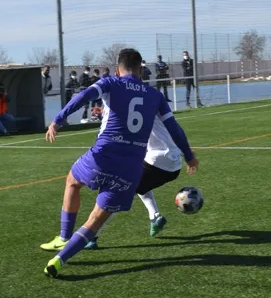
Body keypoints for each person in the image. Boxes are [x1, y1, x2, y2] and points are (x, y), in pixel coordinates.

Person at [39, 48, 197, 278]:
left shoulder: (110, 82)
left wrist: (58, 119)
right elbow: (175, 129)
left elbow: (83, 96)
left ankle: (64, 237)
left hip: (103, 155)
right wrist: (189, 155)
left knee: (72, 181)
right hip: (132, 167)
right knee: (95, 220)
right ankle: (58, 260)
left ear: (117, 69)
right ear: (141, 69)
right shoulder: (156, 96)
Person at [85, 106, 198, 249]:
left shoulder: (140, 103)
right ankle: (155, 216)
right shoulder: (154, 102)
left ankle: (92, 236)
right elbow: (174, 129)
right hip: (173, 165)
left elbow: (124, 125)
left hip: (157, 162)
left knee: (117, 192)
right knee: (139, 184)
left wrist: (104, 115)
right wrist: (187, 154)